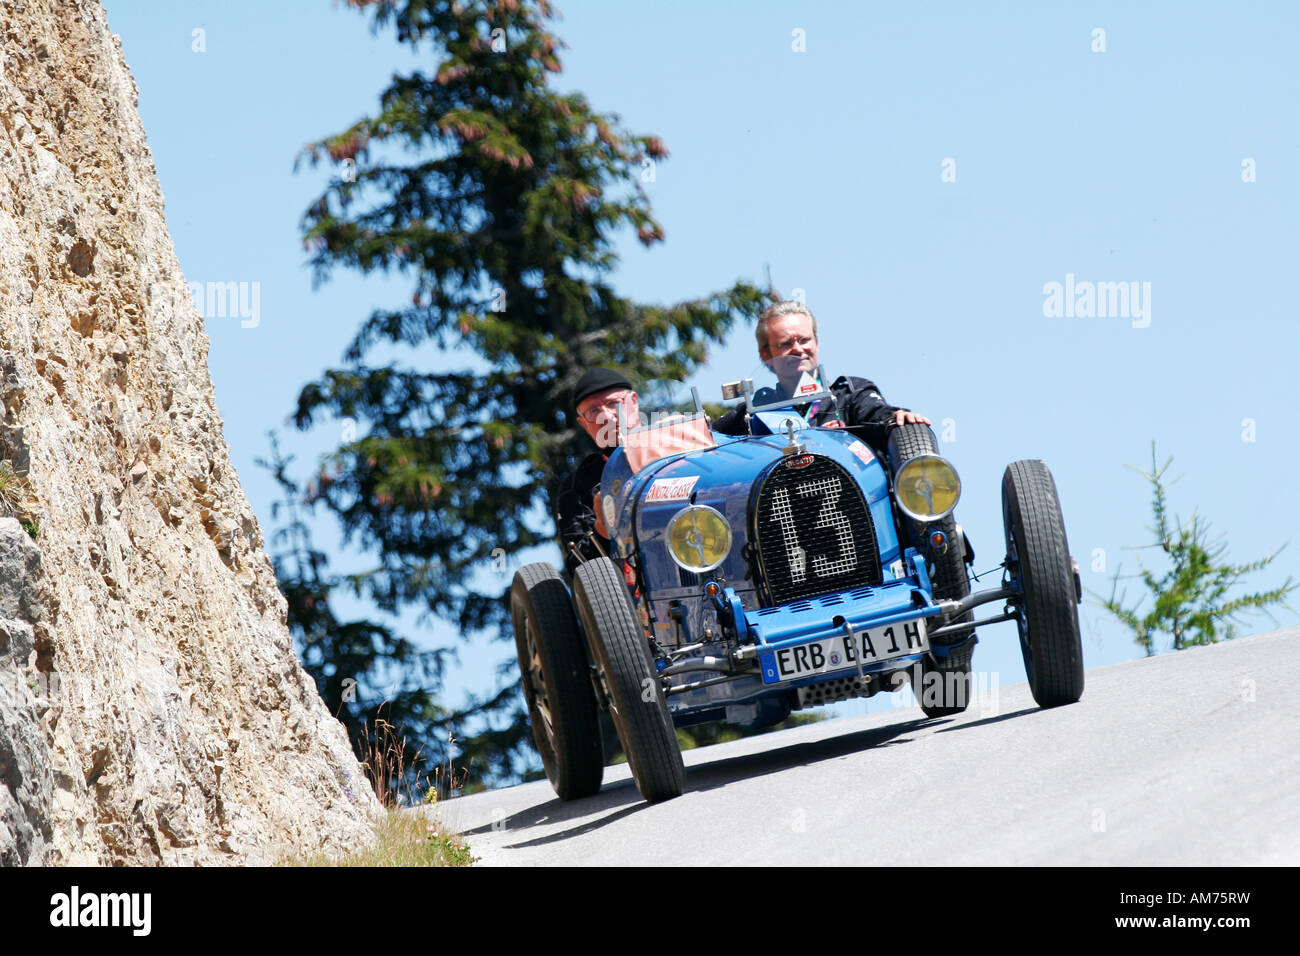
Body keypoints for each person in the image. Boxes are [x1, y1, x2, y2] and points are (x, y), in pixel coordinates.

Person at [712, 300, 931, 451]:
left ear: (816, 342)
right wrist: (685, 427)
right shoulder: (757, 410)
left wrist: (898, 417)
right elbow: (711, 437)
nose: (798, 349)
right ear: (766, 355)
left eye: (804, 340)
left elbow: (878, 414)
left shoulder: (850, 394)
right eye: (786, 344)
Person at [553, 367, 640, 575]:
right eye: (594, 411)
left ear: (633, 402)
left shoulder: (678, 445)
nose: (608, 417)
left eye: (613, 404)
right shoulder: (581, 484)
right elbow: (578, 567)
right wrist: (602, 527)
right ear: (583, 424)